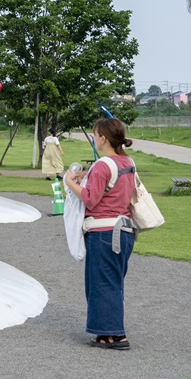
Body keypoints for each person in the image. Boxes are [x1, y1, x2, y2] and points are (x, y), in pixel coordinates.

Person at [63, 118, 137, 350]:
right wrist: (87, 179)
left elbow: (89, 198)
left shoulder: (103, 165)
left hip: (104, 233)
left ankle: (113, 334)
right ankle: (108, 331)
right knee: (113, 282)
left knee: (102, 283)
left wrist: (68, 181)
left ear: (103, 138)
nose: (94, 139)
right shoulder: (127, 161)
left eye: (95, 135)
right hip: (124, 230)